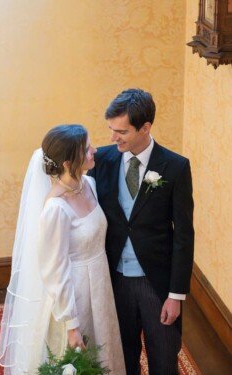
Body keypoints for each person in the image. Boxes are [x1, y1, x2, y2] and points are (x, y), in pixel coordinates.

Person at [0, 124, 126, 375]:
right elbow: (55, 270)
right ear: (68, 163)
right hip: (74, 295)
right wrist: (72, 325)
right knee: (81, 361)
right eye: (87, 149)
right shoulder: (55, 209)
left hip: (100, 285)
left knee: (105, 351)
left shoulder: (89, 183)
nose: (95, 151)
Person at [88, 89, 194, 375]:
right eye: (111, 129)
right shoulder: (100, 161)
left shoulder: (175, 166)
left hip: (156, 284)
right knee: (122, 358)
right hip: (114, 281)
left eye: (121, 131)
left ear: (145, 128)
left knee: (163, 361)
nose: (113, 137)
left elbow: (184, 235)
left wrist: (176, 295)